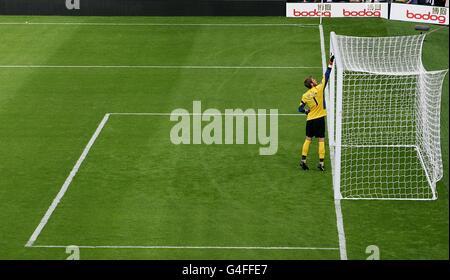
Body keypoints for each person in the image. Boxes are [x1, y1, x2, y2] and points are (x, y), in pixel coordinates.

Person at [298, 55, 334, 171]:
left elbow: (299, 109)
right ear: (312, 84)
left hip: (310, 119)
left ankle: (303, 160)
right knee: (321, 140)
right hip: (319, 119)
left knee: (308, 139)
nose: (315, 80)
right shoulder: (319, 89)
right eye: (313, 79)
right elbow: (327, 76)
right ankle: (321, 163)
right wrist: (330, 63)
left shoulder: (305, 95)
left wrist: (306, 111)